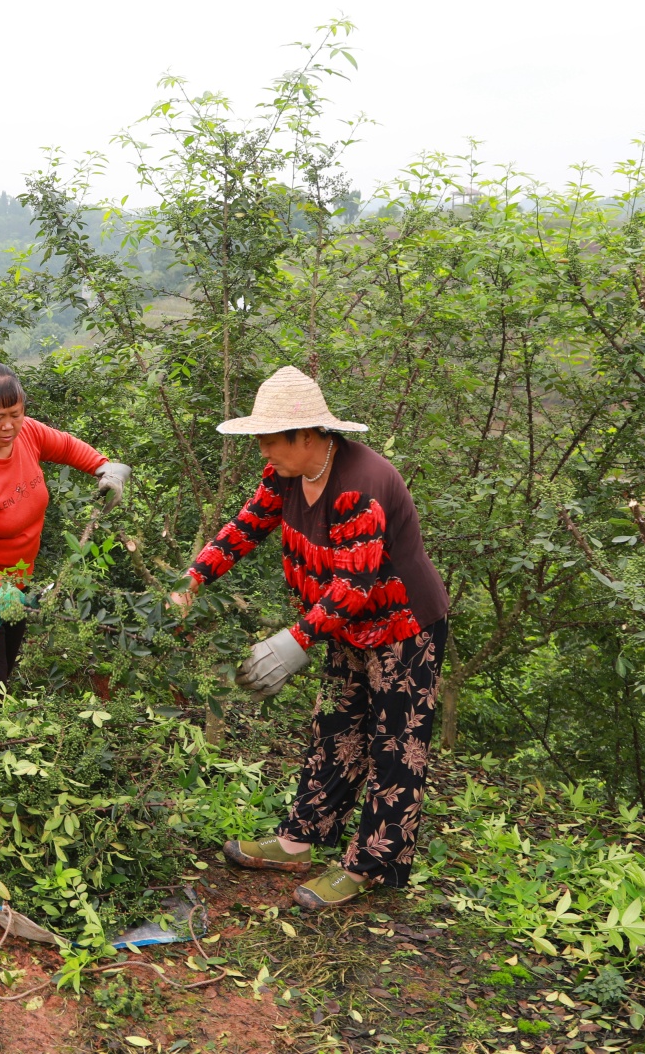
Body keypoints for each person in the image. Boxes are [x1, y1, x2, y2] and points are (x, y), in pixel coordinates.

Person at [171, 365, 450, 910]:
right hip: (343, 625)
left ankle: (371, 863)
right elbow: (247, 524)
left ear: (308, 436)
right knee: (336, 725)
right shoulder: (287, 475)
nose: (264, 454)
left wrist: (291, 642)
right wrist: (193, 579)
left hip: (402, 626)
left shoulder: (359, 486)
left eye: (271, 442)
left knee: (395, 744)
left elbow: (356, 582)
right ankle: (299, 839)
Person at [0, 362, 131, 729]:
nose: (9, 426)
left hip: (14, 577)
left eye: (16, 414)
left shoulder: (25, 434)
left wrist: (105, 469)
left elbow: (67, 446)